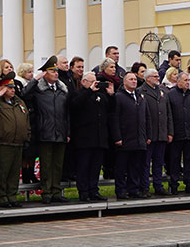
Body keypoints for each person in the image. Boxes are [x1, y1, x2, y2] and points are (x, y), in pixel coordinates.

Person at [22, 57, 69, 204]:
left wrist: (68, 132)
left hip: (60, 131)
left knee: (58, 165)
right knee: (46, 165)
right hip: (45, 131)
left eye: (56, 71)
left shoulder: (62, 90)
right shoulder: (38, 89)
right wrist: (35, 79)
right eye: (52, 71)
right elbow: (24, 94)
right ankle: (46, 192)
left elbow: (67, 113)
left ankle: (56, 191)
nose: (56, 73)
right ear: (45, 73)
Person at [0, 75, 31, 208]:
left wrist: (27, 135)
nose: (13, 90)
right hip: (3, 143)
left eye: (13, 87)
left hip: (18, 142)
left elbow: (26, 118)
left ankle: (12, 196)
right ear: (2, 88)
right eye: (9, 87)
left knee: (14, 173)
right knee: (3, 173)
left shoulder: (19, 102)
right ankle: (3, 198)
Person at [68, 68, 110, 203]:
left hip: (99, 138)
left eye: (95, 81)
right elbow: (75, 105)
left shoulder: (100, 95)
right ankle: (84, 192)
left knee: (95, 167)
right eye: (92, 81)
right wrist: (89, 91)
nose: (95, 84)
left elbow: (110, 110)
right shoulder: (78, 94)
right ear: (84, 82)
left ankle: (94, 190)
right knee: (83, 167)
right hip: (84, 139)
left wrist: (111, 95)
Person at [111, 71, 149, 199]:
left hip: (139, 138)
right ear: (124, 82)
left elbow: (146, 117)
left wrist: (147, 135)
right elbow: (114, 118)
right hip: (125, 138)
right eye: (131, 79)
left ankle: (133, 189)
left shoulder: (140, 97)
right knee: (121, 167)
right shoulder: (119, 97)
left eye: (135, 79)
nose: (134, 81)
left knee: (135, 166)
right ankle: (121, 190)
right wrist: (117, 137)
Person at [166, 68, 190, 194]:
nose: (187, 82)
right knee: (174, 160)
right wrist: (170, 132)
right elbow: (168, 115)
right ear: (178, 81)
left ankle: (189, 184)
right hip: (176, 134)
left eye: (188, 80)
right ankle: (174, 184)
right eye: (185, 80)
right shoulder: (170, 95)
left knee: (189, 160)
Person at [142, 68, 171, 195]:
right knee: (145, 163)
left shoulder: (162, 91)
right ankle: (144, 187)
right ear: (148, 78)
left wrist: (169, 132)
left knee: (159, 162)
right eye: (155, 76)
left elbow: (168, 113)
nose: (158, 78)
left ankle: (158, 186)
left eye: (158, 76)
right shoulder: (141, 91)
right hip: (149, 134)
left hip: (161, 133)